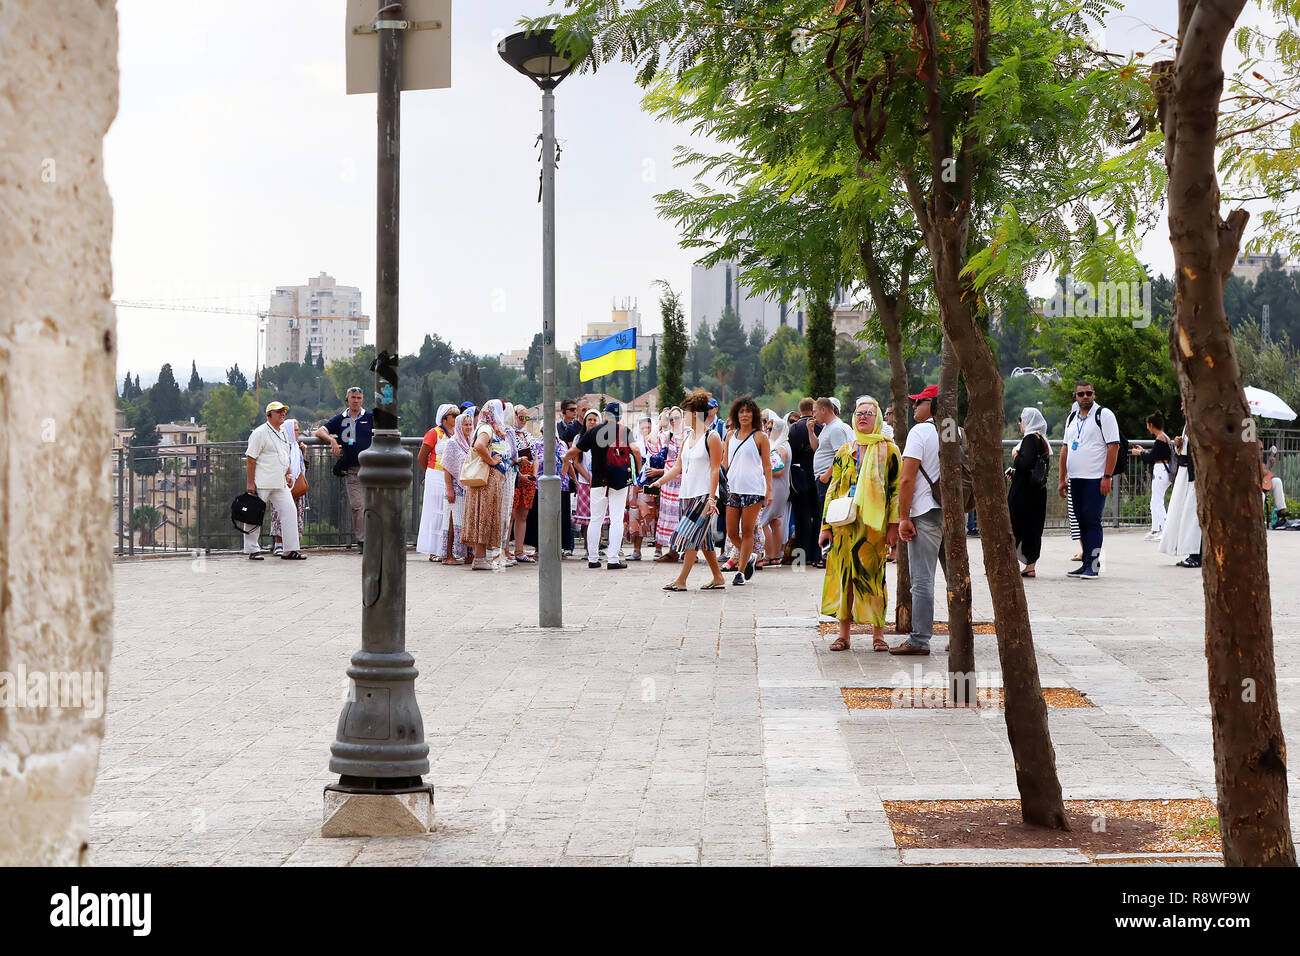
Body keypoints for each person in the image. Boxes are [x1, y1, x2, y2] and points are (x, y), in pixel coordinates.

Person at [820, 397, 901, 651]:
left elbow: (896, 490)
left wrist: (893, 525)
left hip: (873, 528)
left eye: (868, 413)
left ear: (877, 419)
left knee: (874, 580)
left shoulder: (889, 450)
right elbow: (832, 490)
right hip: (844, 525)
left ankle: (879, 635)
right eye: (858, 413)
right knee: (844, 578)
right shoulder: (845, 452)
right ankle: (843, 635)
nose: (863, 417)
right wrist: (825, 527)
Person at [654, 389, 727, 591]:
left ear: (695, 414)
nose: (683, 417)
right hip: (686, 495)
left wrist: (712, 498)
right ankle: (718, 577)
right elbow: (677, 467)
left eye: (685, 413)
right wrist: (659, 482)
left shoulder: (712, 437)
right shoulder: (688, 438)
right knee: (703, 539)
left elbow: (715, 469)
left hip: (704, 496)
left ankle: (682, 580)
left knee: (689, 536)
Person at [890, 385, 942, 655]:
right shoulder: (955, 431)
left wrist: (903, 518)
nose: (914, 406)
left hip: (923, 511)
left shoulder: (919, 432)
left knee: (922, 581)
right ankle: (961, 635)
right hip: (950, 511)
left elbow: (907, 478)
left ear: (932, 404)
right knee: (957, 578)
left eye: (919, 401)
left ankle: (920, 640)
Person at [564, 401, 642, 570]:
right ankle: (613, 559)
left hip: (598, 481)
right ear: (620, 416)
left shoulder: (593, 431)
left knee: (596, 519)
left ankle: (593, 558)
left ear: (605, 415)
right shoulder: (624, 431)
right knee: (616, 519)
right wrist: (639, 471)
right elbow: (636, 450)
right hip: (620, 481)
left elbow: (574, 452)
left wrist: (564, 462)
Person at [1057, 380, 1120, 579]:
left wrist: (1107, 476)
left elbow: (1113, 447)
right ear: (1074, 396)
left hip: (1095, 478)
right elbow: (1065, 449)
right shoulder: (1072, 418)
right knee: (1081, 521)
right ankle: (1085, 564)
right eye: (1081, 394)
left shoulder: (1104, 415)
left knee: (1093, 521)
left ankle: (1094, 565)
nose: (1085, 397)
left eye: (1089, 393)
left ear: (1094, 394)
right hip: (1075, 479)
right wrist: (1061, 478)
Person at [721, 396, 773, 586]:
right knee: (732, 532)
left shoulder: (760, 437)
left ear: (754, 415)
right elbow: (725, 464)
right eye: (741, 411)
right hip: (733, 489)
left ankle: (740, 572)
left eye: (748, 412)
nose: (744, 415)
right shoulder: (729, 436)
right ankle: (750, 555)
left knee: (748, 530)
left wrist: (769, 491)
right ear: (736, 414)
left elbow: (767, 466)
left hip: (753, 490)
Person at [243, 401, 305, 561]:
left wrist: (289, 473)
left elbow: (285, 454)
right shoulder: (259, 433)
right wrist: (250, 483)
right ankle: (252, 549)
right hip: (262, 482)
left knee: (290, 511)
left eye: (284, 411)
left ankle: (290, 549)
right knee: (253, 514)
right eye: (278, 412)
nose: (282, 414)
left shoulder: (283, 431)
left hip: (279, 482)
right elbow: (251, 459)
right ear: (269, 415)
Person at [317, 386, 373, 554]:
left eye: (359, 398)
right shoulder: (340, 418)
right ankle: (362, 541)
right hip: (353, 470)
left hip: (372, 469)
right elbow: (320, 430)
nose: (356, 400)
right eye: (353, 397)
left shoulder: (371, 417)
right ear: (347, 399)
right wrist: (332, 441)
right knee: (358, 506)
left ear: (362, 400)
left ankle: (374, 539)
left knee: (373, 506)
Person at [463, 399, 511, 571]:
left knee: (482, 516)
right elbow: (479, 446)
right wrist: (491, 461)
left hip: (489, 480)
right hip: (487, 480)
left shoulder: (486, 427)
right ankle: (480, 557)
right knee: (483, 516)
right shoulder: (487, 428)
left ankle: (481, 557)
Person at [810, 397, 854, 568]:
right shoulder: (828, 428)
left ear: (824, 410)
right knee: (824, 515)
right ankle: (829, 554)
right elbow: (819, 448)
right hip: (822, 478)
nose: (813, 415)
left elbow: (840, 454)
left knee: (829, 516)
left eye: (814, 411)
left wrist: (827, 475)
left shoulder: (836, 429)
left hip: (828, 480)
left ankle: (832, 555)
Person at [1007, 407, 1051, 577]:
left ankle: (1008, 564)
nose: (1020, 423)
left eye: (1021, 419)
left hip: (1024, 493)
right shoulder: (1042, 440)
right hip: (1037, 491)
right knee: (1033, 527)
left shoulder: (1030, 439)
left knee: (1014, 524)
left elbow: (1025, 464)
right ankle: (1030, 565)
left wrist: (1015, 455)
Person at [1160, 409, 1202, 567]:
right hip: (1186, 472)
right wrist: (1179, 445)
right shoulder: (1189, 424)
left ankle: (1196, 555)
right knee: (1183, 513)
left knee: (1193, 514)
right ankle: (1192, 552)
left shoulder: (1199, 422)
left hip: (1193, 474)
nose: (1183, 408)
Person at [417, 403, 458, 562]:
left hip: (449, 476)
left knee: (447, 514)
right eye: (453, 416)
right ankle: (433, 550)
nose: (455, 418)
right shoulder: (434, 433)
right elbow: (422, 457)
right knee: (434, 512)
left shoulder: (454, 434)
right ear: (444, 418)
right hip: (435, 475)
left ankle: (445, 548)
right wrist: (428, 473)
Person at [787, 397, 821, 566]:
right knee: (818, 516)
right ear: (813, 408)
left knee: (801, 517)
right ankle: (816, 554)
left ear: (800, 410)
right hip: (817, 475)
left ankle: (801, 556)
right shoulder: (820, 427)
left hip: (797, 477)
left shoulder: (792, 429)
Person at [437, 410, 473, 565]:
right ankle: (448, 554)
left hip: (468, 487)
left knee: (465, 521)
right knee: (452, 520)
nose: (468, 427)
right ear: (459, 426)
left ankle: (467, 553)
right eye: (465, 424)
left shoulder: (470, 441)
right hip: (454, 487)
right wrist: (449, 489)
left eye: (470, 424)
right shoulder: (453, 443)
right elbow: (447, 467)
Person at [270, 411, 309, 556]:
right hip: (282, 486)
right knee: (282, 515)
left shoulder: (297, 448)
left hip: (296, 489)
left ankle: (291, 545)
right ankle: (279, 544)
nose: (298, 432)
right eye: (295, 430)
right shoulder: (283, 446)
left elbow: (302, 468)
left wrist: (303, 454)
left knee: (294, 515)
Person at [1130, 411, 1173, 540]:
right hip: (1163, 470)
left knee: (1157, 501)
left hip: (1161, 471)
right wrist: (1143, 451)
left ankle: (1164, 531)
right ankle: (1155, 530)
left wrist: (1138, 453)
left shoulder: (1160, 438)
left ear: (1151, 425)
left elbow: (1152, 458)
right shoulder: (1164, 437)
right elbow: (1156, 454)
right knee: (1155, 500)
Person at [759, 409, 791, 568]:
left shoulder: (779, 448)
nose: (767, 430)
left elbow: (778, 470)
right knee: (775, 521)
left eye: (771, 428)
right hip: (781, 488)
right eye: (767, 427)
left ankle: (770, 555)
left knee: (763, 521)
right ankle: (776, 556)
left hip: (776, 487)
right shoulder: (783, 444)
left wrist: (761, 469)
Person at [654, 407, 685, 562]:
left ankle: (687, 551)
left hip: (684, 480)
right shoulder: (667, 435)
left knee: (684, 515)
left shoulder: (689, 434)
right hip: (669, 480)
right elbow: (651, 441)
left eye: (677, 418)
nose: (674, 422)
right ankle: (672, 551)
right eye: (671, 419)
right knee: (669, 515)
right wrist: (662, 420)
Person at [509, 404, 536, 564]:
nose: (524, 421)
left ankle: (520, 550)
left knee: (523, 514)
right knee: (511, 514)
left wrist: (533, 474)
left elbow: (535, 456)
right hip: (516, 476)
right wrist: (520, 475)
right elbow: (510, 457)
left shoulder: (528, 435)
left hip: (529, 477)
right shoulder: (509, 434)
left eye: (527, 417)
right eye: (521, 417)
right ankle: (506, 550)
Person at [1260, 442, 1292, 528]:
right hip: (1252, 489)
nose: (1262, 451)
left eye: (1262, 449)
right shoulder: (1247, 459)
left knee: (1277, 481)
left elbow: (1267, 475)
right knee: (1261, 496)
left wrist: (1270, 466)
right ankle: (1259, 521)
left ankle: (1281, 510)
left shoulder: (1261, 463)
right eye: (1260, 449)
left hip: (1263, 485)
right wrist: (1260, 474)